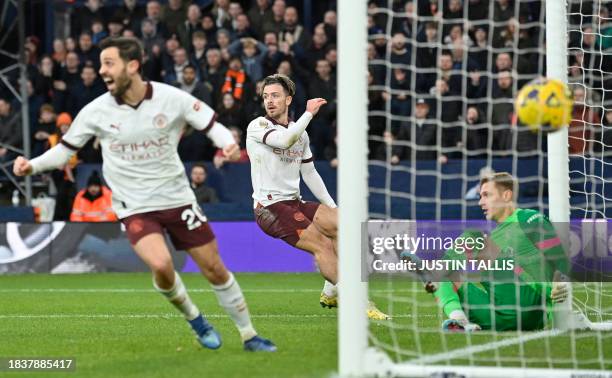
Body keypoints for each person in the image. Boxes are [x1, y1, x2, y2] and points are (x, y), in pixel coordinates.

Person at [13, 37, 275, 352]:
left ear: (133, 65)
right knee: (163, 266)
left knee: (214, 268)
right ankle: (196, 319)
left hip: (178, 199)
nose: (102, 71)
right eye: (101, 64)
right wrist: (31, 166)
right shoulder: (95, 111)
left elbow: (208, 121)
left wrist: (226, 143)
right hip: (134, 206)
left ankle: (249, 335)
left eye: (109, 63)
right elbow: (64, 151)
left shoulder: (170, 98)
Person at [246, 74, 389, 320]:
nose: (269, 101)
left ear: (288, 99)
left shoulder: (300, 133)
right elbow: (284, 139)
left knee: (344, 225)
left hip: (294, 202)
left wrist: (333, 208)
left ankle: (331, 291)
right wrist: (309, 113)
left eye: (275, 95)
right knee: (322, 246)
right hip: (269, 207)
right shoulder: (258, 126)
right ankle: (359, 302)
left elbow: (310, 172)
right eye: (266, 96)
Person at [420, 172, 569, 331]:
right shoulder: (494, 237)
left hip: (529, 311)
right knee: (443, 275)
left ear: (506, 195)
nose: (480, 202)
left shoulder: (528, 219)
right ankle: (459, 321)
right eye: (480, 196)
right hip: (494, 317)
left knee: (473, 236)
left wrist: (558, 283)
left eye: (486, 195)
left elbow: (559, 260)